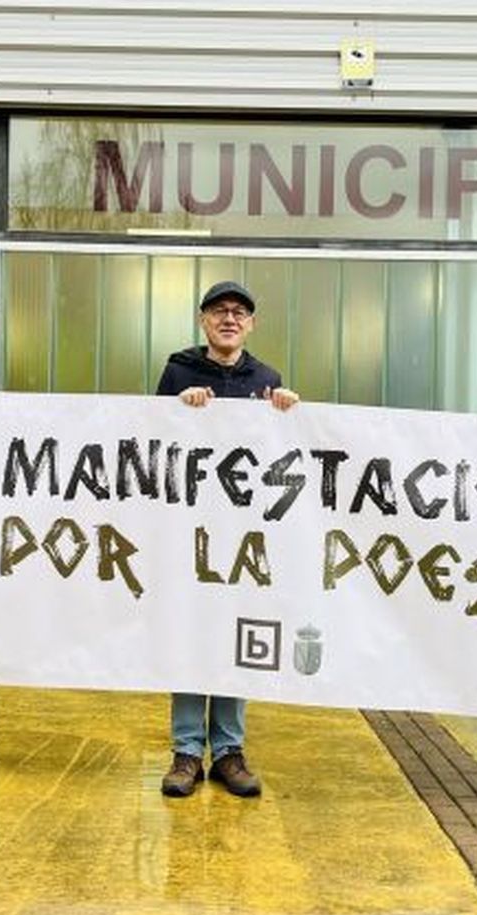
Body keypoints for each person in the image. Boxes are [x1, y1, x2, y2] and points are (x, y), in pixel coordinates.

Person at [154, 279, 299, 798]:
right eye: (219, 311)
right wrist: (179, 407)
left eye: (239, 312)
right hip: (192, 530)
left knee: (239, 634)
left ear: (251, 324)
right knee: (193, 632)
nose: (229, 319)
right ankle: (187, 752)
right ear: (203, 321)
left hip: (246, 535)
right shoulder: (178, 372)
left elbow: (279, 450)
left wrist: (287, 407)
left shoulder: (268, 378)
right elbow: (155, 443)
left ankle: (230, 751)